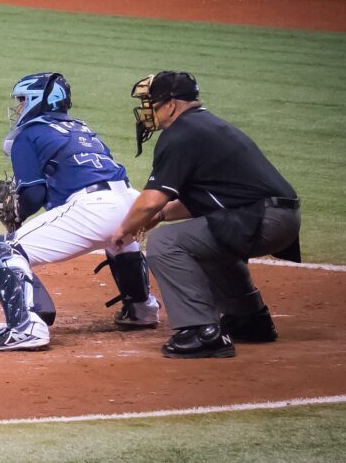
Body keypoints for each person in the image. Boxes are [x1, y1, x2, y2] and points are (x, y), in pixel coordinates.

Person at [110, 72, 300, 359]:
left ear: (172, 104)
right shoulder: (205, 126)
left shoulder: (181, 134)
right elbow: (212, 198)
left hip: (260, 219)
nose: (148, 110)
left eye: (152, 103)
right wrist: (162, 215)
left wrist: (124, 229)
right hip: (278, 217)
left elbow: (150, 201)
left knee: (166, 243)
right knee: (207, 240)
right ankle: (248, 319)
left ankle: (201, 331)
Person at [0, 72, 160, 352]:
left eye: (23, 100)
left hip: (94, 208)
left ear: (39, 100)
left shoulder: (29, 134)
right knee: (118, 239)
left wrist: (18, 215)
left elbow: (34, 194)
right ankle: (141, 308)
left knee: (4, 249)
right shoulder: (81, 128)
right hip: (130, 201)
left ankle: (26, 328)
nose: (19, 108)